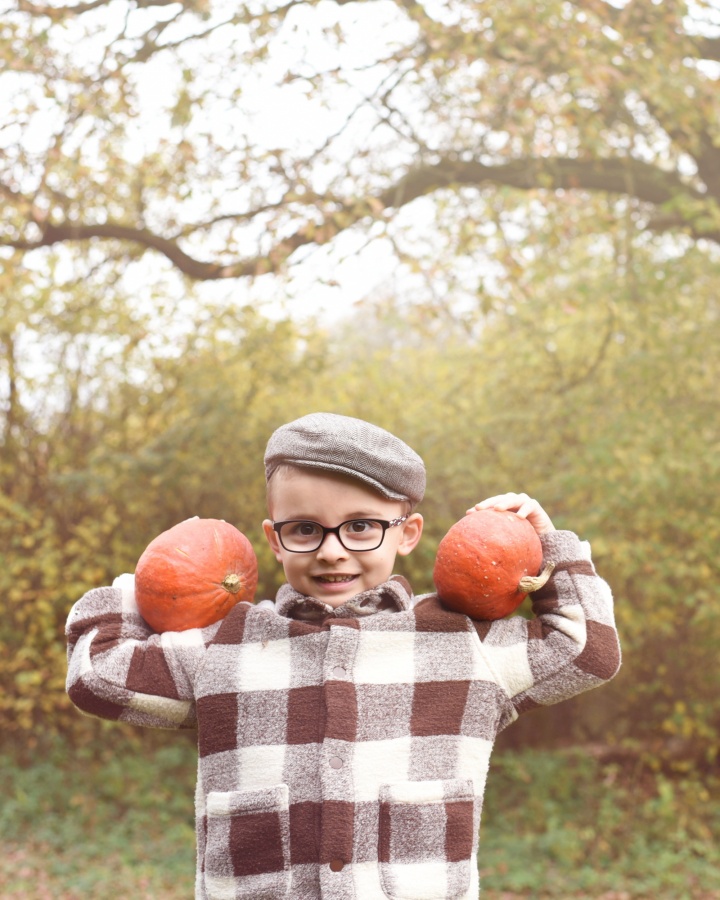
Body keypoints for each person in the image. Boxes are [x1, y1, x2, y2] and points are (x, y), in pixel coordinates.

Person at [66, 411, 621, 900]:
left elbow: (587, 650)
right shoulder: (228, 646)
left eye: (360, 526)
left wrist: (550, 545)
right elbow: (97, 675)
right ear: (274, 539)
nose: (332, 551)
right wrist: (146, 582)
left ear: (407, 533)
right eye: (305, 528)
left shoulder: (462, 643)